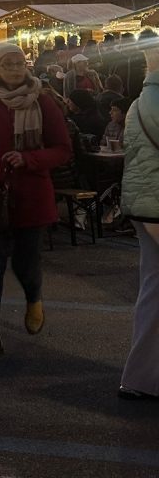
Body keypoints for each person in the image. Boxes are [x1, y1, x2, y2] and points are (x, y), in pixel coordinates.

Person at [0, 43, 72, 362]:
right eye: (7, 63)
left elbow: (63, 149)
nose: (13, 68)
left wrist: (29, 158)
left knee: (26, 262)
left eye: (18, 62)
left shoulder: (44, 101)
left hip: (31, 195)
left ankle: (33, 297)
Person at [118, 41, 159, 400]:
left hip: (143, 204)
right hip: (156, 204)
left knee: (153, 287)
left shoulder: (137, 102)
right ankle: (142, 378)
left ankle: (141, 378)